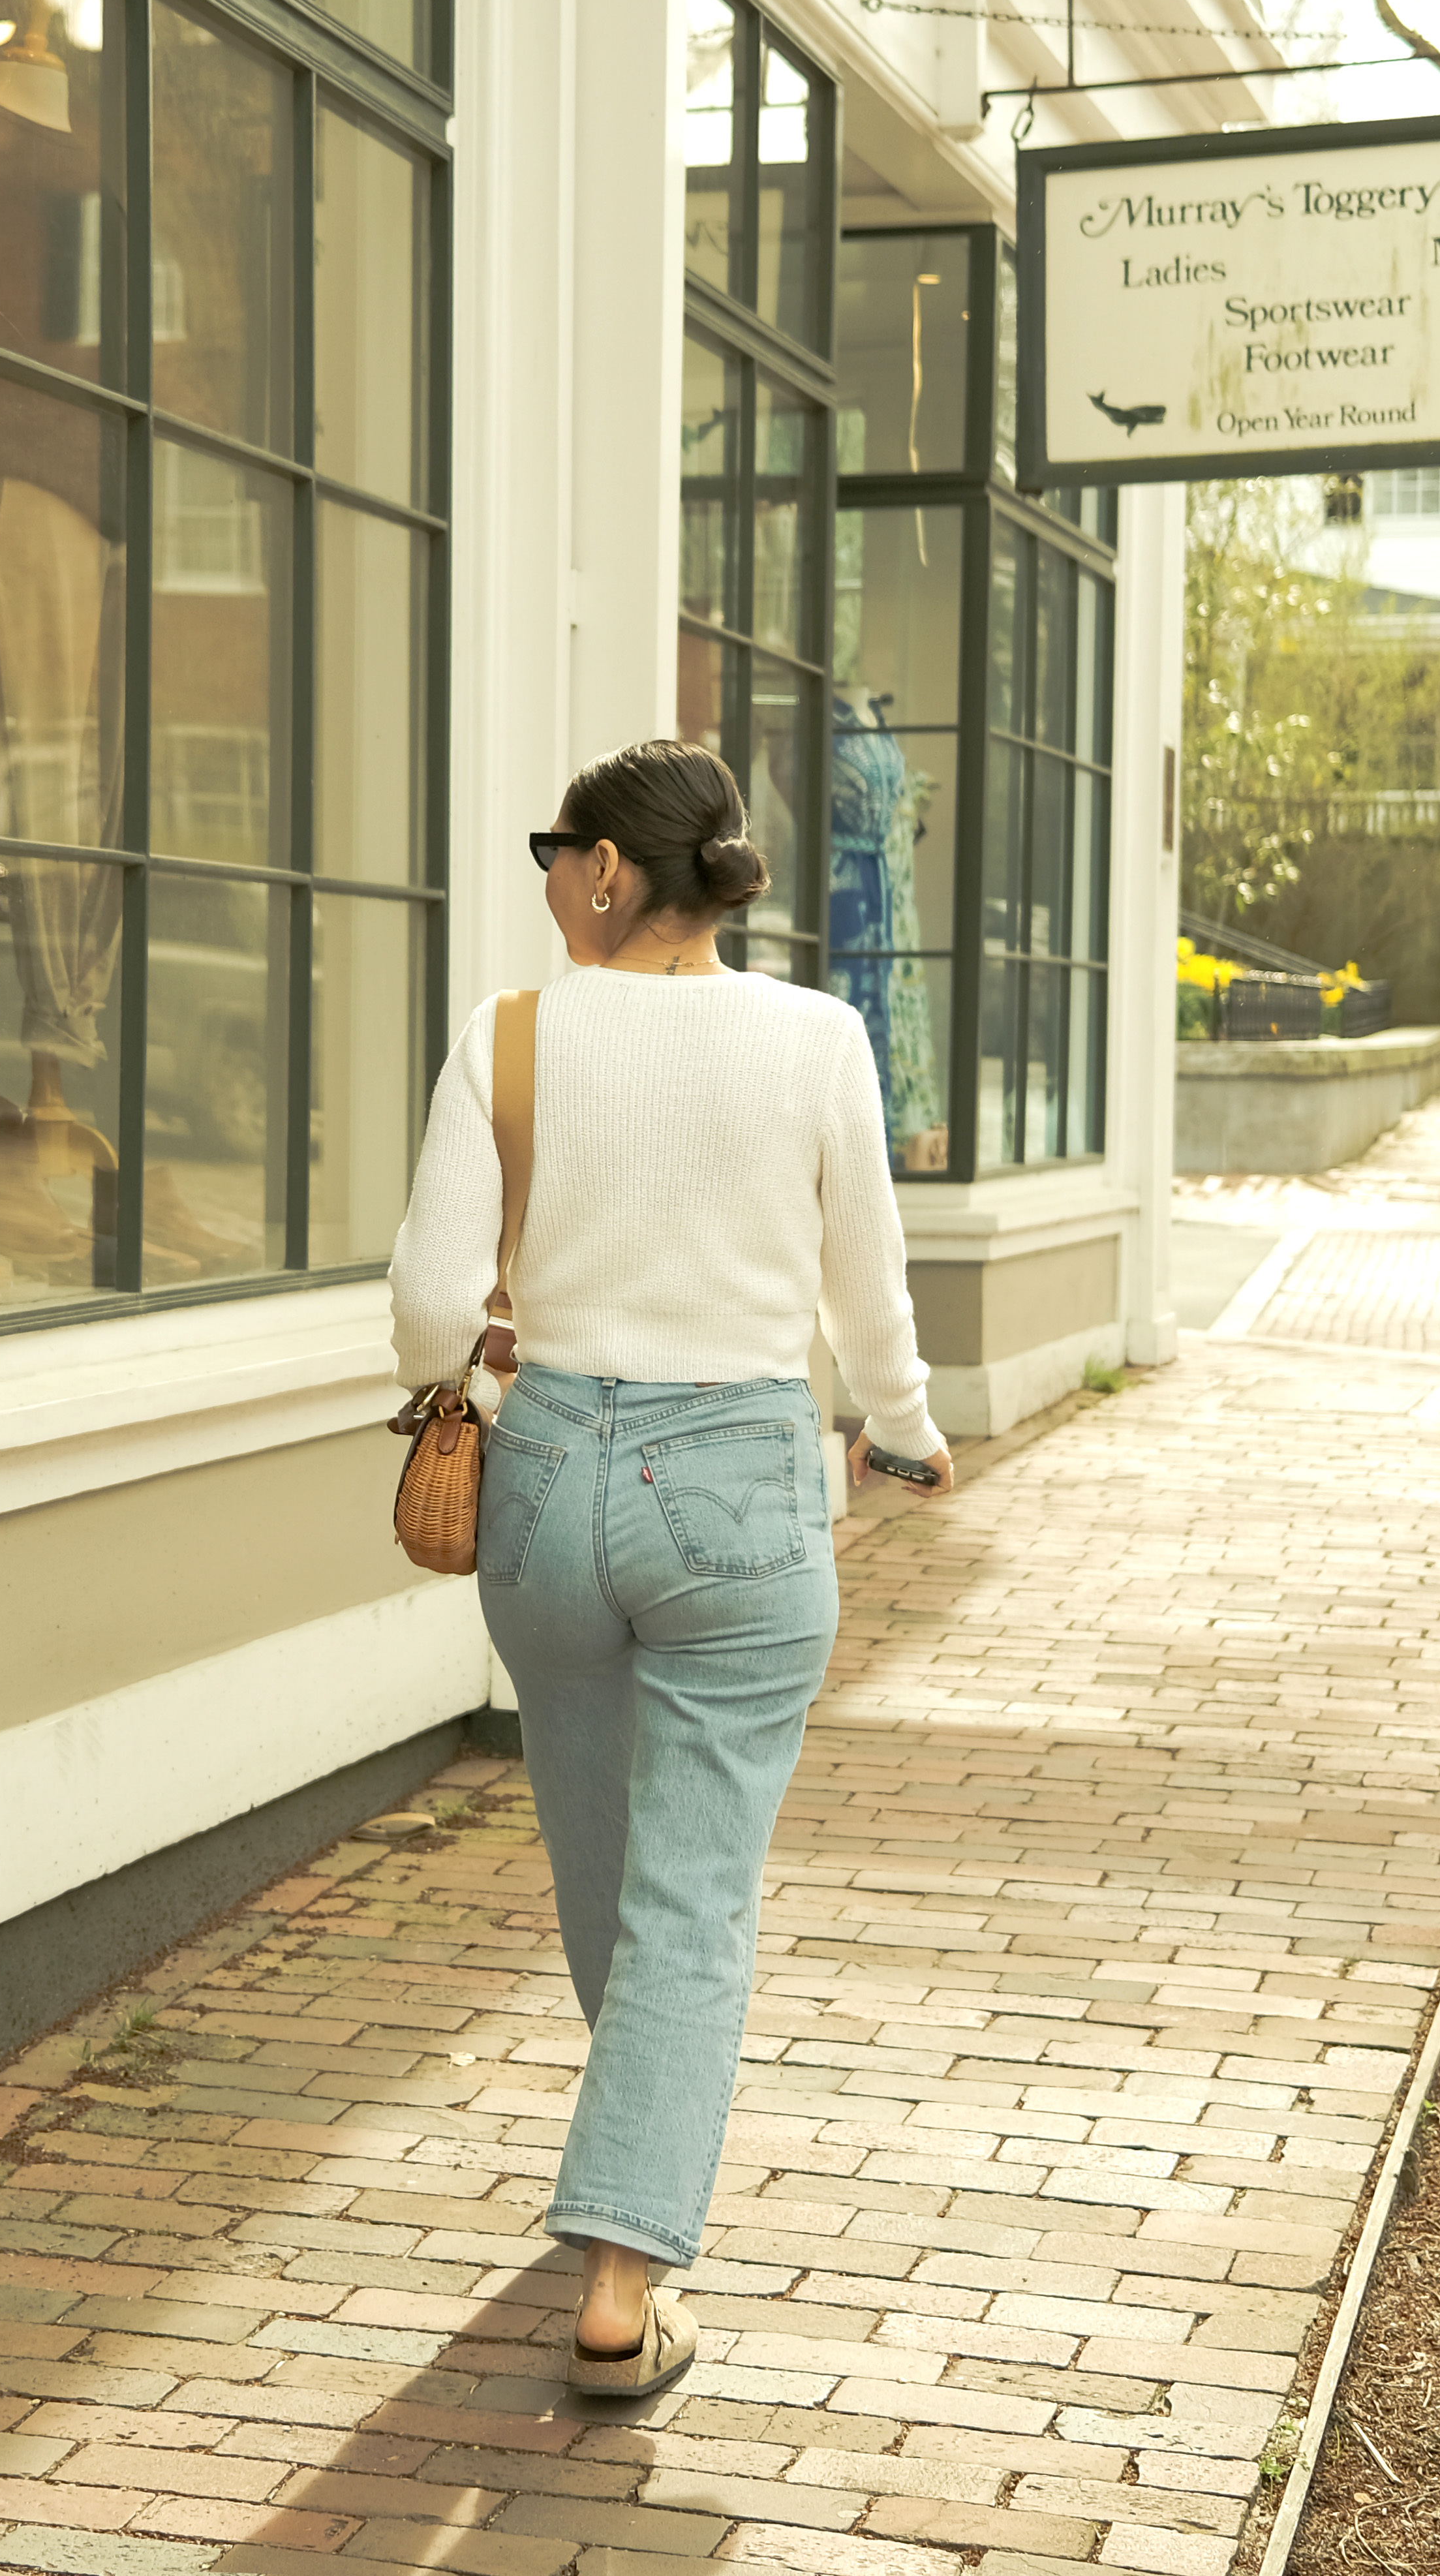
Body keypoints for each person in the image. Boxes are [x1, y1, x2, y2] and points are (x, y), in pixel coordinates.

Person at [387, 737, 956, 2399]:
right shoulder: (816, 1039)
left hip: (549, 1479)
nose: (550, 880)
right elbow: (866, 1294)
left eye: (555, 851)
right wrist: (906, 1427)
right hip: (737, 1484)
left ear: (612, 872)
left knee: (604, 1865)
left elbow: (431, 1305)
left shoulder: (507, 1037)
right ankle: (624, 2282)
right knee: (690, 1899)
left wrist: (498, 1369)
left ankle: (623, 2171)